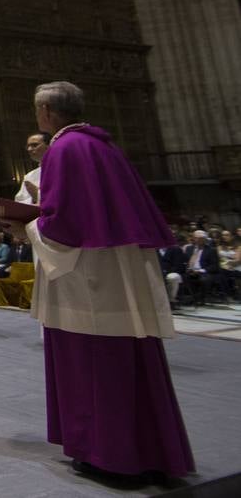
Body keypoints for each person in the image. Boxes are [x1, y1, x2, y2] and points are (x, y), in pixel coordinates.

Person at [20, 80, 192, 479]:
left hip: (88, 278)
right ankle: (146, 452)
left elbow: (62, 223)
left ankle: (109, 455)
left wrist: (25, 228)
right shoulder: (103, 145)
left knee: (92, 361)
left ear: (46, 112)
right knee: (128, 360)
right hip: (120, 270)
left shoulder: (63, 148)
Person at [15, 132, 51, 204]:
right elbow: (19, 201)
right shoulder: (29, 176)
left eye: (34, 145)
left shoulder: (62, 167)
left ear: (49, 146)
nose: (29, 149)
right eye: (28, 146)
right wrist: (33, 200)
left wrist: (37, 195)